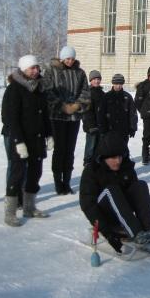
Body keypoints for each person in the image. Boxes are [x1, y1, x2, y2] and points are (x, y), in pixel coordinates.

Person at [79, 132, 150, 253]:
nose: (118, 161)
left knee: (140, 185)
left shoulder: (125, 166)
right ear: (103, 157)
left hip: (123, 212)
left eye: (120, 156)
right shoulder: (92, 171)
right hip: (105, 215)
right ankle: (136, 233)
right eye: (113, 157)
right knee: (110, 190)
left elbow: (135, 195)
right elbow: (88, 205)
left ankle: (149, 228)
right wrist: (107, 233)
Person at [2, 55, 53, 226]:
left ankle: (29, 207)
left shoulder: (39, 88)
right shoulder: (14, 89)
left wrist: (50, 134)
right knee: (17, 172)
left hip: (37, 137)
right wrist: (18, 141)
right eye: (32, 68)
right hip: (19, 137)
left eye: (37, 67)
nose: (36, 70)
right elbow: (9, 118)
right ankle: (10, 212)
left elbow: (45, 114)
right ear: (24, 69)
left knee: (35, 171)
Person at [43, 46, 90, 195]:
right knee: (59, 149)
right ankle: (58, 182)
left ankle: (67, 182)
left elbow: (85, 91)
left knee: (70, 149)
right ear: (62, 58)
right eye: (67, 58)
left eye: (72, 58)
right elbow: (47, 91)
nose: (70, 61)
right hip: (57, 116)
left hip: (74, 116)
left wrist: (76, 105)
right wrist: (62, 106)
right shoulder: (52, 71)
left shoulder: (80, 73)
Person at [98, 74, 138, 144]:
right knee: (111, 151)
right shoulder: (106, 97)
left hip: (123, 129)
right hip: (109, 130)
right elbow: (101, 113)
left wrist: (133, 128)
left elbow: (133, 113)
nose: (118, 86)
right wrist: (102, 127)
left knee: (123, 151)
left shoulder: (127, 97)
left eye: (120, 84)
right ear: (113, 83)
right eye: (116, 83)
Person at [82, 70, 104, 166]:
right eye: (94, 79)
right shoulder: (88, 93)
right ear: (90, 81)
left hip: (101, 124)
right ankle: (87, 160)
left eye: (98, 79)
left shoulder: (102, 93)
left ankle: (97, 159)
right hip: (91, 125)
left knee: (99, 144)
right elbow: (87, 112)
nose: (96, 81)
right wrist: (91, 125)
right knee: (90, 145)